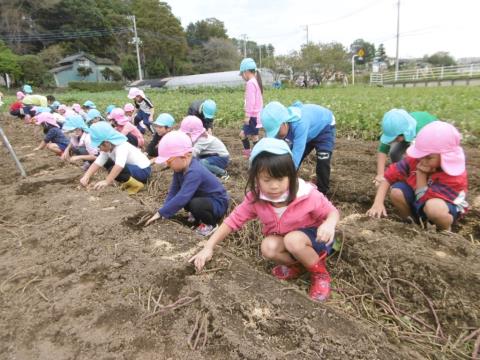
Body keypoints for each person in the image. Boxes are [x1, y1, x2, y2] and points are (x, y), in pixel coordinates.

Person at [189, 138, 340, 301]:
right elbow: (232, 221)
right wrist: (208, 247)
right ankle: (299, 266)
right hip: (289, 243)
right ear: (256, 178)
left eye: (280, 179)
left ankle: (320, 275)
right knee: (268, 247)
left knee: (293, 240)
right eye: (266, 180)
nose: (274, 186)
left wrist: (329, 224)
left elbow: (332, 212)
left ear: (290, 175)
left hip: (316, 240)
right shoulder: (256, 199)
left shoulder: (306, 194)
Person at [367, 121, 468, 231]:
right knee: (396, 192)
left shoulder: (454, 176)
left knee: (434, 209)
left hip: (443, 207)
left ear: (445, 156)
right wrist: (378, 203)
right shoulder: (416, 160)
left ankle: (444, 231)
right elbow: (389, 177)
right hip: (421, 201)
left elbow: (425, 201)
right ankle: (414, 224)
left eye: (429, 158)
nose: (423, 161)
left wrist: (421, 174)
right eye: (421, 155)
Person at [145, 131, 229, 236]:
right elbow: (174, 191)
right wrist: (163, 211)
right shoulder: (179, 169)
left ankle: (210, 224)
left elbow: (183, 196)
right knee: (188, 202)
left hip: (217, 203)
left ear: (184, 156)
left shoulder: (195, 172)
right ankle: (197, 216)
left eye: (169, 161)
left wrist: (161, 213)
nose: (167, 164)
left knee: (194, 204)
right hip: (203, 199)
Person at [261, 101, 336, 196]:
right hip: (308, 132)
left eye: (277, 132)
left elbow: (296, 156)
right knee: (289, 158)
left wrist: (282, 175)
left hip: (325, 126)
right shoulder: (281, 126)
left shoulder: (300, 124)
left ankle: (322, 192)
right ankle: (289, 185)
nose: (276, 136)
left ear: (284, 123)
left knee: (323, 160)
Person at [80, 122, 152, 195]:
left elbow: (119, 166)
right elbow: (98, 161)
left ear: (107, 143)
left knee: (113, 169)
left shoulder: (121, 147)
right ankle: (129, 181)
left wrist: (107, 181)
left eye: (99, 146)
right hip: (133, 168)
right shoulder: (109, 147)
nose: (99, 149)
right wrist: (87, 175)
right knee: (109, 164)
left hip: (143, 171)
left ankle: (137, 185)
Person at [374, 109, 437, 186]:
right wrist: (380, 174)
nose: (394, 141)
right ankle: (400, 172)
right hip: (410, 134)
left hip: (431, 138)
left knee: (419, 160)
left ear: (404, 133)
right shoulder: (398, 126)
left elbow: (415, 155)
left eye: (396, 138)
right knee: (395, 153)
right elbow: (383, 149)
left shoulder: (421, 132)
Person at [180, 115, 230, 180]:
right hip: (210, 155)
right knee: (196, 161)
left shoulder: (203, 139)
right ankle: (209, 171)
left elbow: (193, 153)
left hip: (221, 158)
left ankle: (222, 173)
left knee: (201, 163)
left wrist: (181, 158)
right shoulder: (198, 137)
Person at [239, 58, 263, 158]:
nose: (242, 77)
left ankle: (249, 154)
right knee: (254, 137)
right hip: (257, 115)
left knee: (242, 135)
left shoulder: (250, 83)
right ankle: (257, 155)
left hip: (252, 116)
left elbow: (250, 101)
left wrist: (247, 116)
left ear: (246, 72)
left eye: (241, 74)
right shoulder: (256, 81)